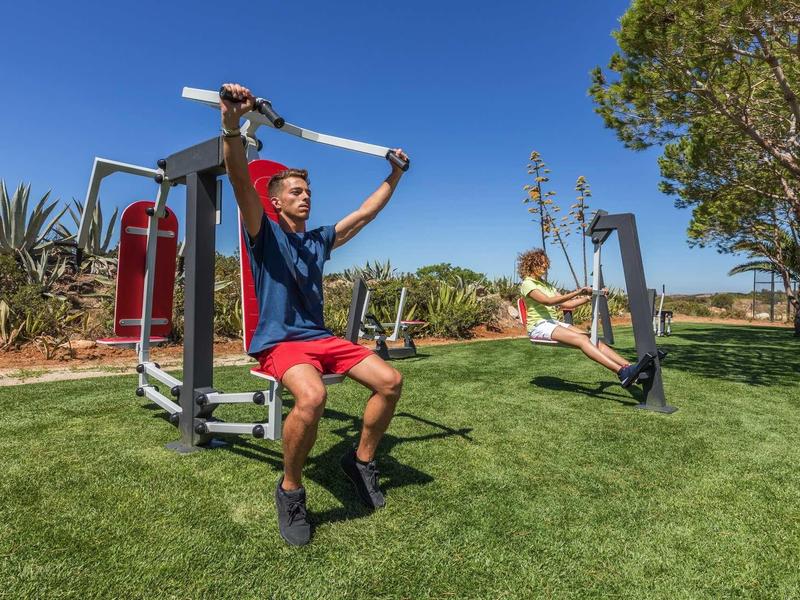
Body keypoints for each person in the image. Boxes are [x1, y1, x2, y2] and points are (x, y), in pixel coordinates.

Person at [220, 83, 409, 546]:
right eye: (296, 192)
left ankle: (360, 461)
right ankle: (290, 490)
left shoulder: (317, 239)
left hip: (320, 337)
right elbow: (239, 179)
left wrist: (395, 175)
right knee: (311, 398)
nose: (305, 197)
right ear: (277, 200)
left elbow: (365, 214)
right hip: (281, 342)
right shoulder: (262, 232)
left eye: (308, 191)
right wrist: (230, 123)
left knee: (390, 382)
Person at [518, 248, 644, 386]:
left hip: (553, 323)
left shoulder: (547, 285)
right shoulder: (527, 284)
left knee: (592, 338)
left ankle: (631, 368)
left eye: (545, 263)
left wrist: (590, 297)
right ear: (531, 264)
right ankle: (621, 372)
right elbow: (547, 301)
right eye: (541, 263)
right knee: (582, 339)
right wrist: (578, 291)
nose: (544, 266)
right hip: (539, 325)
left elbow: (568, 304)